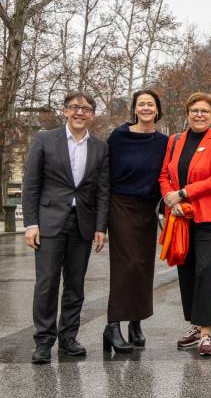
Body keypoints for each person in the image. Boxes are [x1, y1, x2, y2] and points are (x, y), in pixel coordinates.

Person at [23, 91, 110, 364]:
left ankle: (68, 339)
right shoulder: (45, 139)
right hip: (49, 222)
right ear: (64, 111)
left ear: (93, 115)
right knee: (47, 283)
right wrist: (31, 224)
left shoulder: (100, 147)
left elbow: (103, 190)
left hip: (82, 224)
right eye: (74, 107)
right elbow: (31, 184)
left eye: (86, 109)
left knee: (75, 284)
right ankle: (43, 342)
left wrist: (100, 227)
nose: (80, 112)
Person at [159, 92, 211, 356]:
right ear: (187, 113)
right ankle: (194, 323)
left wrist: (184, 193)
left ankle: (206, 334)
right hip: (180, 216)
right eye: (195, 110)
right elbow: (164, 174)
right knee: (186, 270)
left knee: (204, 270)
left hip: (210, 218)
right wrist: (170, 199)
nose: (200, 115)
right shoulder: (175, 140)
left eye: (205, 111)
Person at [103, 89, 168, 353]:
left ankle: (135, 322)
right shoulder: (119, 137)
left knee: (142, 266)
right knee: (126, 265)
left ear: (157, 110)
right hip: (120, 206)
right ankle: (113, 326)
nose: (145, 108)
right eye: (141, 104)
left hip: (147, 209)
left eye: (150, 104)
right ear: (134, 109)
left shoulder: (163, 142)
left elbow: (167, 176)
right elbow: (104, 173)